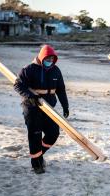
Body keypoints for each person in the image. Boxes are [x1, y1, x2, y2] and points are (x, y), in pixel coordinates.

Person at [14, 45, 69, 174]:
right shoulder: (28, 69)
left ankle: (39, 155)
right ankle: (36, 164)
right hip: (32, 107)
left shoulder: (56, 71)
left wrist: (65, 106)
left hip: (49, 108)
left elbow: (61, 90)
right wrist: (31, 96)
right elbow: (18, 85)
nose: (50, 61)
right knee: (35, 135)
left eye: (52, 59)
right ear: (41, 57)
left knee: (53, 133)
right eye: (47, 58)